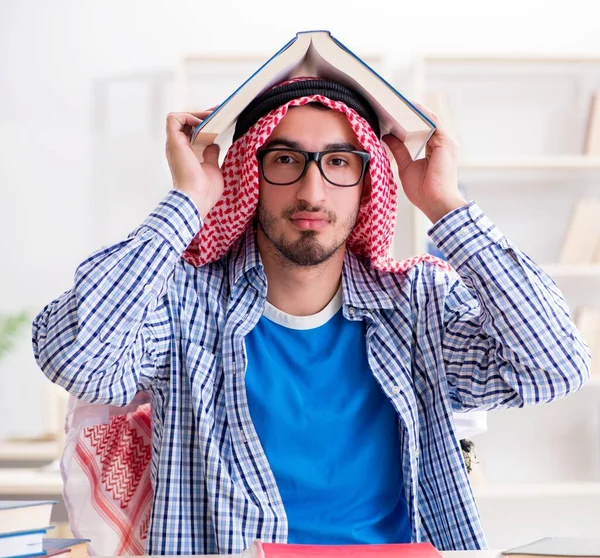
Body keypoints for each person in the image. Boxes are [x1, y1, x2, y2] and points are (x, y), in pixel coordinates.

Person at [32, 78, 590, 556]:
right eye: (285, 160)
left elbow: (554, 368)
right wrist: (187, 202)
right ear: (248, 176)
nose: (311, 189)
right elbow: (81, 360)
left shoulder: (419, 303)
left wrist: (445, 205)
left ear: (369, 182)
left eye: (340, 162)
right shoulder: (184, 304)